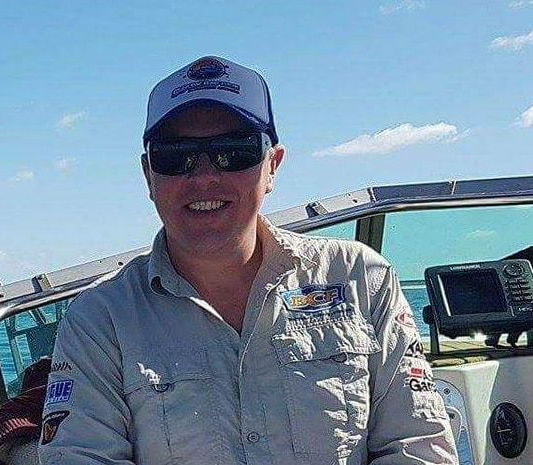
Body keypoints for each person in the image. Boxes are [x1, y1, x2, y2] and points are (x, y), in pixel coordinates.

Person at [39, 56, 458, 465]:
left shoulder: (361, 278)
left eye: (233, 152)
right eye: (176, 156)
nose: (204, 177)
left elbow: (419, 446)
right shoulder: (99, 319)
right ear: (149, 175)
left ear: (272, 166)